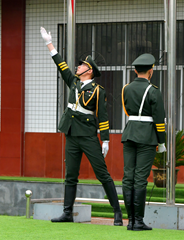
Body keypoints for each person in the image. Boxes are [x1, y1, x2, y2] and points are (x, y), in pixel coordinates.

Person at [40, 27, 123, 226]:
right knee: (71, 174)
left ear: (89, 71)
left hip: (87, 135)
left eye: (81, 66)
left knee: (102, 173)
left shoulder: (97, 90)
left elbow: (103, 116)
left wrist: (105, 139)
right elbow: (61, 66)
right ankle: (67, 212)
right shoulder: (74, 83)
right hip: (71, 133)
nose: (77, 68)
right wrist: (49, 44)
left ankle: (117, 213)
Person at [121, 53, 166, 231]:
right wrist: (161, 142)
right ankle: (138, 221)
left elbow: (127, 110)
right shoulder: (154, 90)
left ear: (134, 70)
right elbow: (159, 119)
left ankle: (130, 220)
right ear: (150, 71)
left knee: (128, 177)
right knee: (140, 178)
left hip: (130, 132)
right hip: (147, 135)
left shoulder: (126, 88)